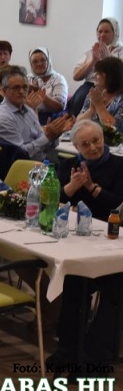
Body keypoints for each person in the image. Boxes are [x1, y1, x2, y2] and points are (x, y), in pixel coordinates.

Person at [51, 121, 123, 374]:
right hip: (78, 240)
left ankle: (94, 355)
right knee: (73, 282)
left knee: (113, 289)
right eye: (85, 144)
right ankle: (68, 349)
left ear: (103, 139)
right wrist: (73, 186)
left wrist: (91, 188)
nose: (93, 147)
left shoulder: (118, 166)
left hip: (111, 242)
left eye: (96, 141)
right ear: (76, 147)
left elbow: (116, 205)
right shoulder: (70, 165)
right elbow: (55, 199)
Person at [0, 66, 74, 161]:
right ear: (4, 91)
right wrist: (48, 136)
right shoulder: (3, 117)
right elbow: (20, 153)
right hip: (22, 167)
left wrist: (55, 134)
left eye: (25, 87)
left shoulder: (28, 110)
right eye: (16, 88)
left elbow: (45, 145)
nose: (22, 91)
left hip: (41, 162)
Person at [71, 17, 123, 116]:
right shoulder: (91, 51)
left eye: (106, 31)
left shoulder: (121, 52)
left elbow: (119, 77)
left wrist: (108, 58)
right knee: (80, 99)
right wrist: (93, 60)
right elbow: (76, 76)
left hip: (113, 88)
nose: (102, 35)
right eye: (100, 31)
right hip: (90, 85)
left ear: (115, 33)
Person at [77, 56, 123, 134]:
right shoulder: (94, 94)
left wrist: (99, 106)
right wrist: (91, 109)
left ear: (109, 76)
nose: (95, 76)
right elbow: (78, 124)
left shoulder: (120, 99)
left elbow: (115, 130)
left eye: (98, 73)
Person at [28, 47, 68, 124]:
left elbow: (59, 107)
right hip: (30, 117)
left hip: (52, 118)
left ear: (48, 61)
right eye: (35, 62)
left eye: (43, 60)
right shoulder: (28, 78)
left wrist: (38, 92)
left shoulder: (58, 79)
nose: (39, 64)